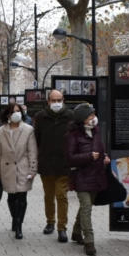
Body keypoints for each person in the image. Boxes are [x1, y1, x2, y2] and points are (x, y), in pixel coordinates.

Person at [64, 103, 109, 256]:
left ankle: (76, 233)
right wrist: (89, 157)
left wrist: (104, 158)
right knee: (86, 208)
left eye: (94, 114)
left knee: (85, 207)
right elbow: (70, 158)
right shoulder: (73, 135)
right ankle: (89, 241)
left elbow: (99, 150)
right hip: (81, 177)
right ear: (82, 118)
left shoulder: (96, 131)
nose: (93, 117)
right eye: (90, 115)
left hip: (97, 176)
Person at [34, 89, 74, 241]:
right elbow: (37, 140)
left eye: (59, 100)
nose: (56, 103)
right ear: (48, 101)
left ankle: (62, 228)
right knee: (49, 196)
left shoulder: (71, 116)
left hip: (64, 163)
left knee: (61, 196)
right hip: (47, 164)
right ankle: (50, 221)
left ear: (63, 100)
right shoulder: (40, 117)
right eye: (53, 100)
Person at [0, 102, 38, 239]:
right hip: (7, 168)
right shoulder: (1, 131)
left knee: (21, 197)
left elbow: (32, 151)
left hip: (23, 168)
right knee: (11, 197)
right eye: (13, 111)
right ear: (8, 114)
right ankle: (14, 218)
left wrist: (33, 169)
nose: (16, 113)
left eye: (18, 110)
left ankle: (19, 225)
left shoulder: (28, 129)